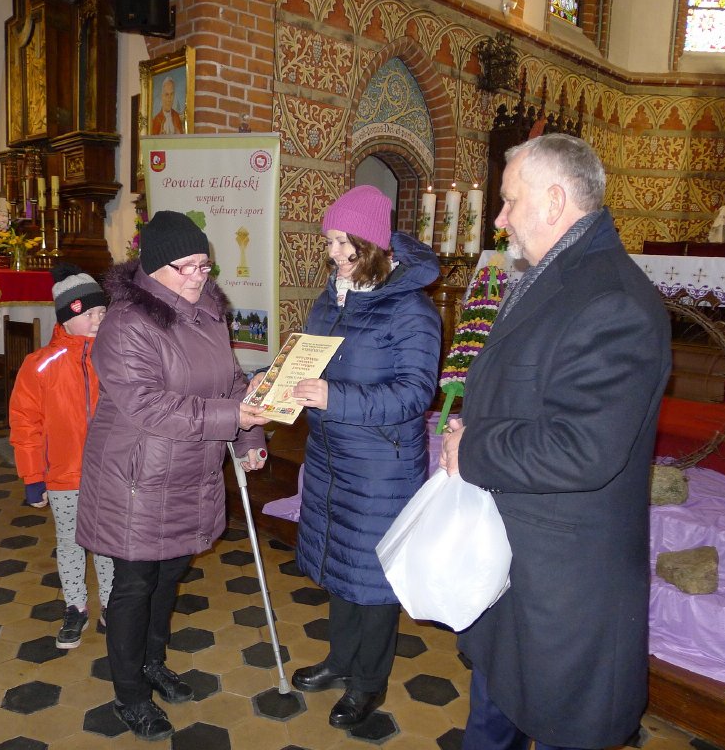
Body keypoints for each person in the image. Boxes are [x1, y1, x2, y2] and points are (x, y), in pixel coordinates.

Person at [439, 134, 672, 750]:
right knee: (493, 724)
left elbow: (582, 448)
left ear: (554, 200)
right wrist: (472, 426)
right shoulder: (553, 277)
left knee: (562, 729)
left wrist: (473, 449)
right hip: (515, 569)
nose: (500, 219)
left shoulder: (613, 301)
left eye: (509, 201)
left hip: (564, 589)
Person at [76, 211, 269, 742]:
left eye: (204, 265)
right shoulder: (127, 323)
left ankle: (152, 664)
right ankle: (130, 695)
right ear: (154, 266)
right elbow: (149, 406)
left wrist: (249, 437)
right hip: (136, 477)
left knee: (168, 578)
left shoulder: (207, 312)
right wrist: (234, 420)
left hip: (191, 470)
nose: (199, 276)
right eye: (187, 266)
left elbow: (232, 382)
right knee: (135, 586)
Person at [288, 185, 442, 728]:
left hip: (382, 466)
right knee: (340, 564)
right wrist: (277, 383)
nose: (333, 253)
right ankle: (340, 660)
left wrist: (335, 398)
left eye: (343, 242)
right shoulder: (332, 298)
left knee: (374, 581)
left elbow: (415, 394)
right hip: (332, 457)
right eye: (329, 241)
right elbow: (308, 360)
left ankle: (368, 683)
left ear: (372, 243)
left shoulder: (411, 309)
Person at [9, 263, 114, 650]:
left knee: (107, 545)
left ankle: (112, 605)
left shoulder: (115, 358)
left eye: (102, 312)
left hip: (110, 475)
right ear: (66, 318)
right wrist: (33, 477)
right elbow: (25, 425)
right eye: (89, 314)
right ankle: (75, 606)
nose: (98, 321)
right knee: (71, 543)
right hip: (63, 476)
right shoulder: (39, 365)